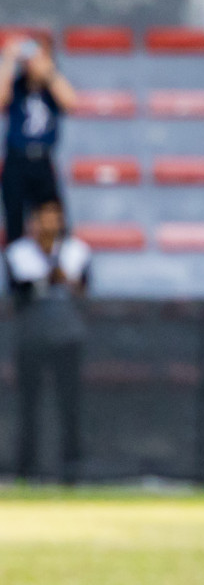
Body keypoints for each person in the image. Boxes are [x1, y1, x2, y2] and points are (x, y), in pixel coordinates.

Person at [6, 199, 90, 481]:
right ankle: (26, 468)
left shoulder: (77, 251)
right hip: (32, 335)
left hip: (67, 335)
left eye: (55, 217)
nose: (49, 224)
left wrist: (64, 280)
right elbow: (19, 291)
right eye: (43, 217)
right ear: (33, 222)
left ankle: (72, 467)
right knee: (29, 403)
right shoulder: (19, 252)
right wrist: (48, 279)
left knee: (70, 403)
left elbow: (85, 289)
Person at [0, 36, 75, 244]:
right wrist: (8, 61)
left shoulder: (50, 89)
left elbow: (70, 102)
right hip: (16, 160)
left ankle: (57, 268)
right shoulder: (17, 86)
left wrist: (47, 71)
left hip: (42, 160)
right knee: (14, 222)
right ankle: (18, 273)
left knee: (54, 218)